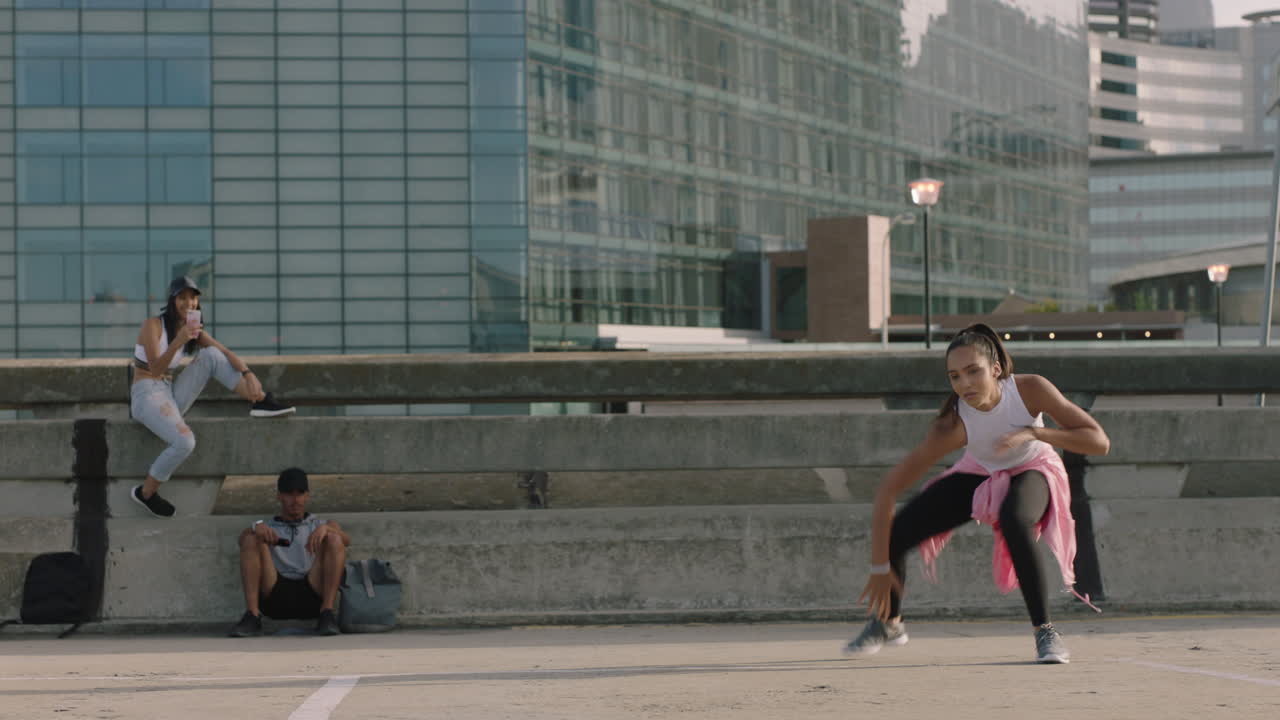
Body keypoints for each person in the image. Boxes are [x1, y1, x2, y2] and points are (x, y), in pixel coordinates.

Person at [845, 323, 1110, 664]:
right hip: (981, 471)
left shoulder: (1029, 390)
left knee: (1015, 518)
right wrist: (880, 566)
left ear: (996, 369)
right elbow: (889, 489)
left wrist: (1034, 433)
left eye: (974, 371)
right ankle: (888, 621)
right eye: (955, 376)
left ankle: (1045, 631)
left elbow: (1098, 442)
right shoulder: (952, 424)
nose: (965, 383)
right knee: (901, 528)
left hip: (1033, 466)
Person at [130, 275, 295, 518]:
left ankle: (260, 401)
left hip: (168, 394)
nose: (189, 303)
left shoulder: (192, 329)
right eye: (182, 297)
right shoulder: (153, 325)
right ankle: (146, 492)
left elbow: (224, 352)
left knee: (211, 356)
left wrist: (248, 374)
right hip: (146, 394)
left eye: (193, 298)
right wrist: (179, 340)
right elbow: (155, 369)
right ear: (172, 300)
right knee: (185, 442)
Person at [229, 468, 350, 637]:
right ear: (279, 496)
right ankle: (252, 615)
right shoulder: (268, 527)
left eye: (300, 493)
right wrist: (255, 527)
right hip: (275, 593)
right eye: (289, 494)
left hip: (312, 591)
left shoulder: (319, 524)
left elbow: (346, 540)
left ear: (307, 495)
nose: (295, 500)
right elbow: (242, 540)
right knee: (251, 538)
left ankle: (327, 613)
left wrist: (326, 529)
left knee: (334, 538)